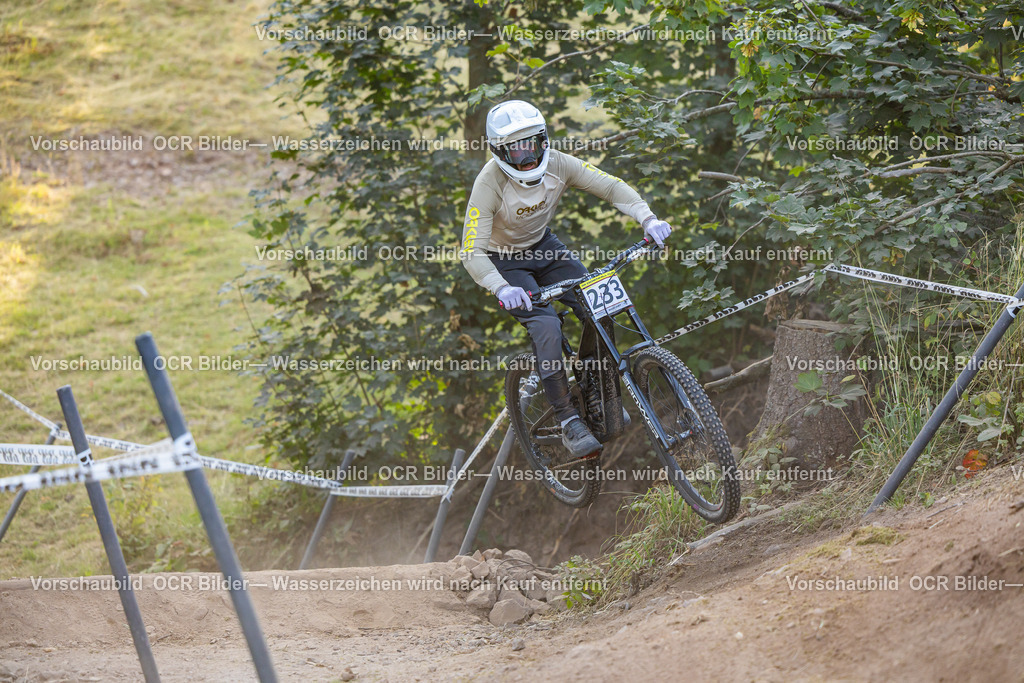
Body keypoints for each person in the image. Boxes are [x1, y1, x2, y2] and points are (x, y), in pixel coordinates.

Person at [460, 100, 671, 459]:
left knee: (599, 305)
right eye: (516, 149)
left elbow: (610, 186)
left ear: (544, 140)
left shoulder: (559, 163)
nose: (527, 157)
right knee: (546, 327)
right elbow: (471, 251)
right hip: (504, 262)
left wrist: (648, 218)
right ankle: (568, 419)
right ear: (499, 151)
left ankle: (599, 394)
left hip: (545, 248)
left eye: (532, 144)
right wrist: (502, 287)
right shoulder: (489, 183)